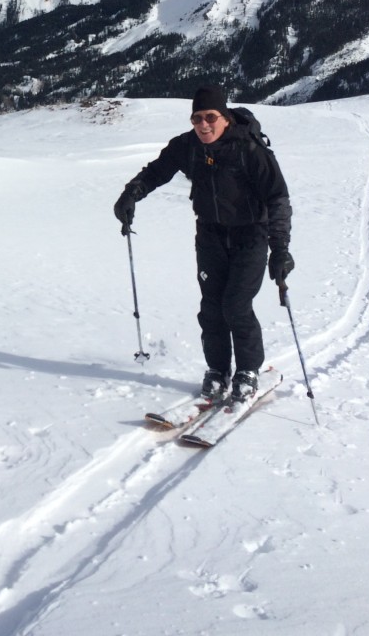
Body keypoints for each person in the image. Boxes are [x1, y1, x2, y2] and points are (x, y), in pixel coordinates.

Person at [113, 84, 294, 402]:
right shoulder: (187, 146)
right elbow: (157, 171)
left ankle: (247, 370)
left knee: (236, 305)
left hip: (251, 235)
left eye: (210, 117)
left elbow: (278, 198)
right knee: (212, 308)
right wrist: (131, 194)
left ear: (225, 118)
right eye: (196, 118)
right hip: (210, 236)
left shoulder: (249, 150)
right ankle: (217, 370)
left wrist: (280, 249)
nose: (203, 124)